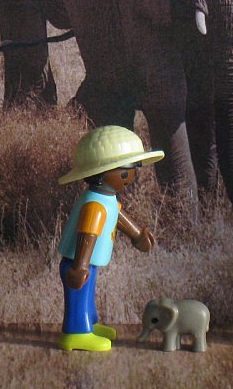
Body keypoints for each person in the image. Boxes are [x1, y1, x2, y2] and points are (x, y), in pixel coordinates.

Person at [57, 125, 164, 352]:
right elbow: (87, 234)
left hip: (86, 264)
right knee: (78, 299)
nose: (131, 178)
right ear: (102, 173)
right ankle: (76, 333)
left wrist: (137, 235)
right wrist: (80, 266)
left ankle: (90, 324)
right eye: (125, 173)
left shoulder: (105, 199)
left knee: (87, 297)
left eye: (133, 170)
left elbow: (117, 215)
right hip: (78, 265)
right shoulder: (94, 205)